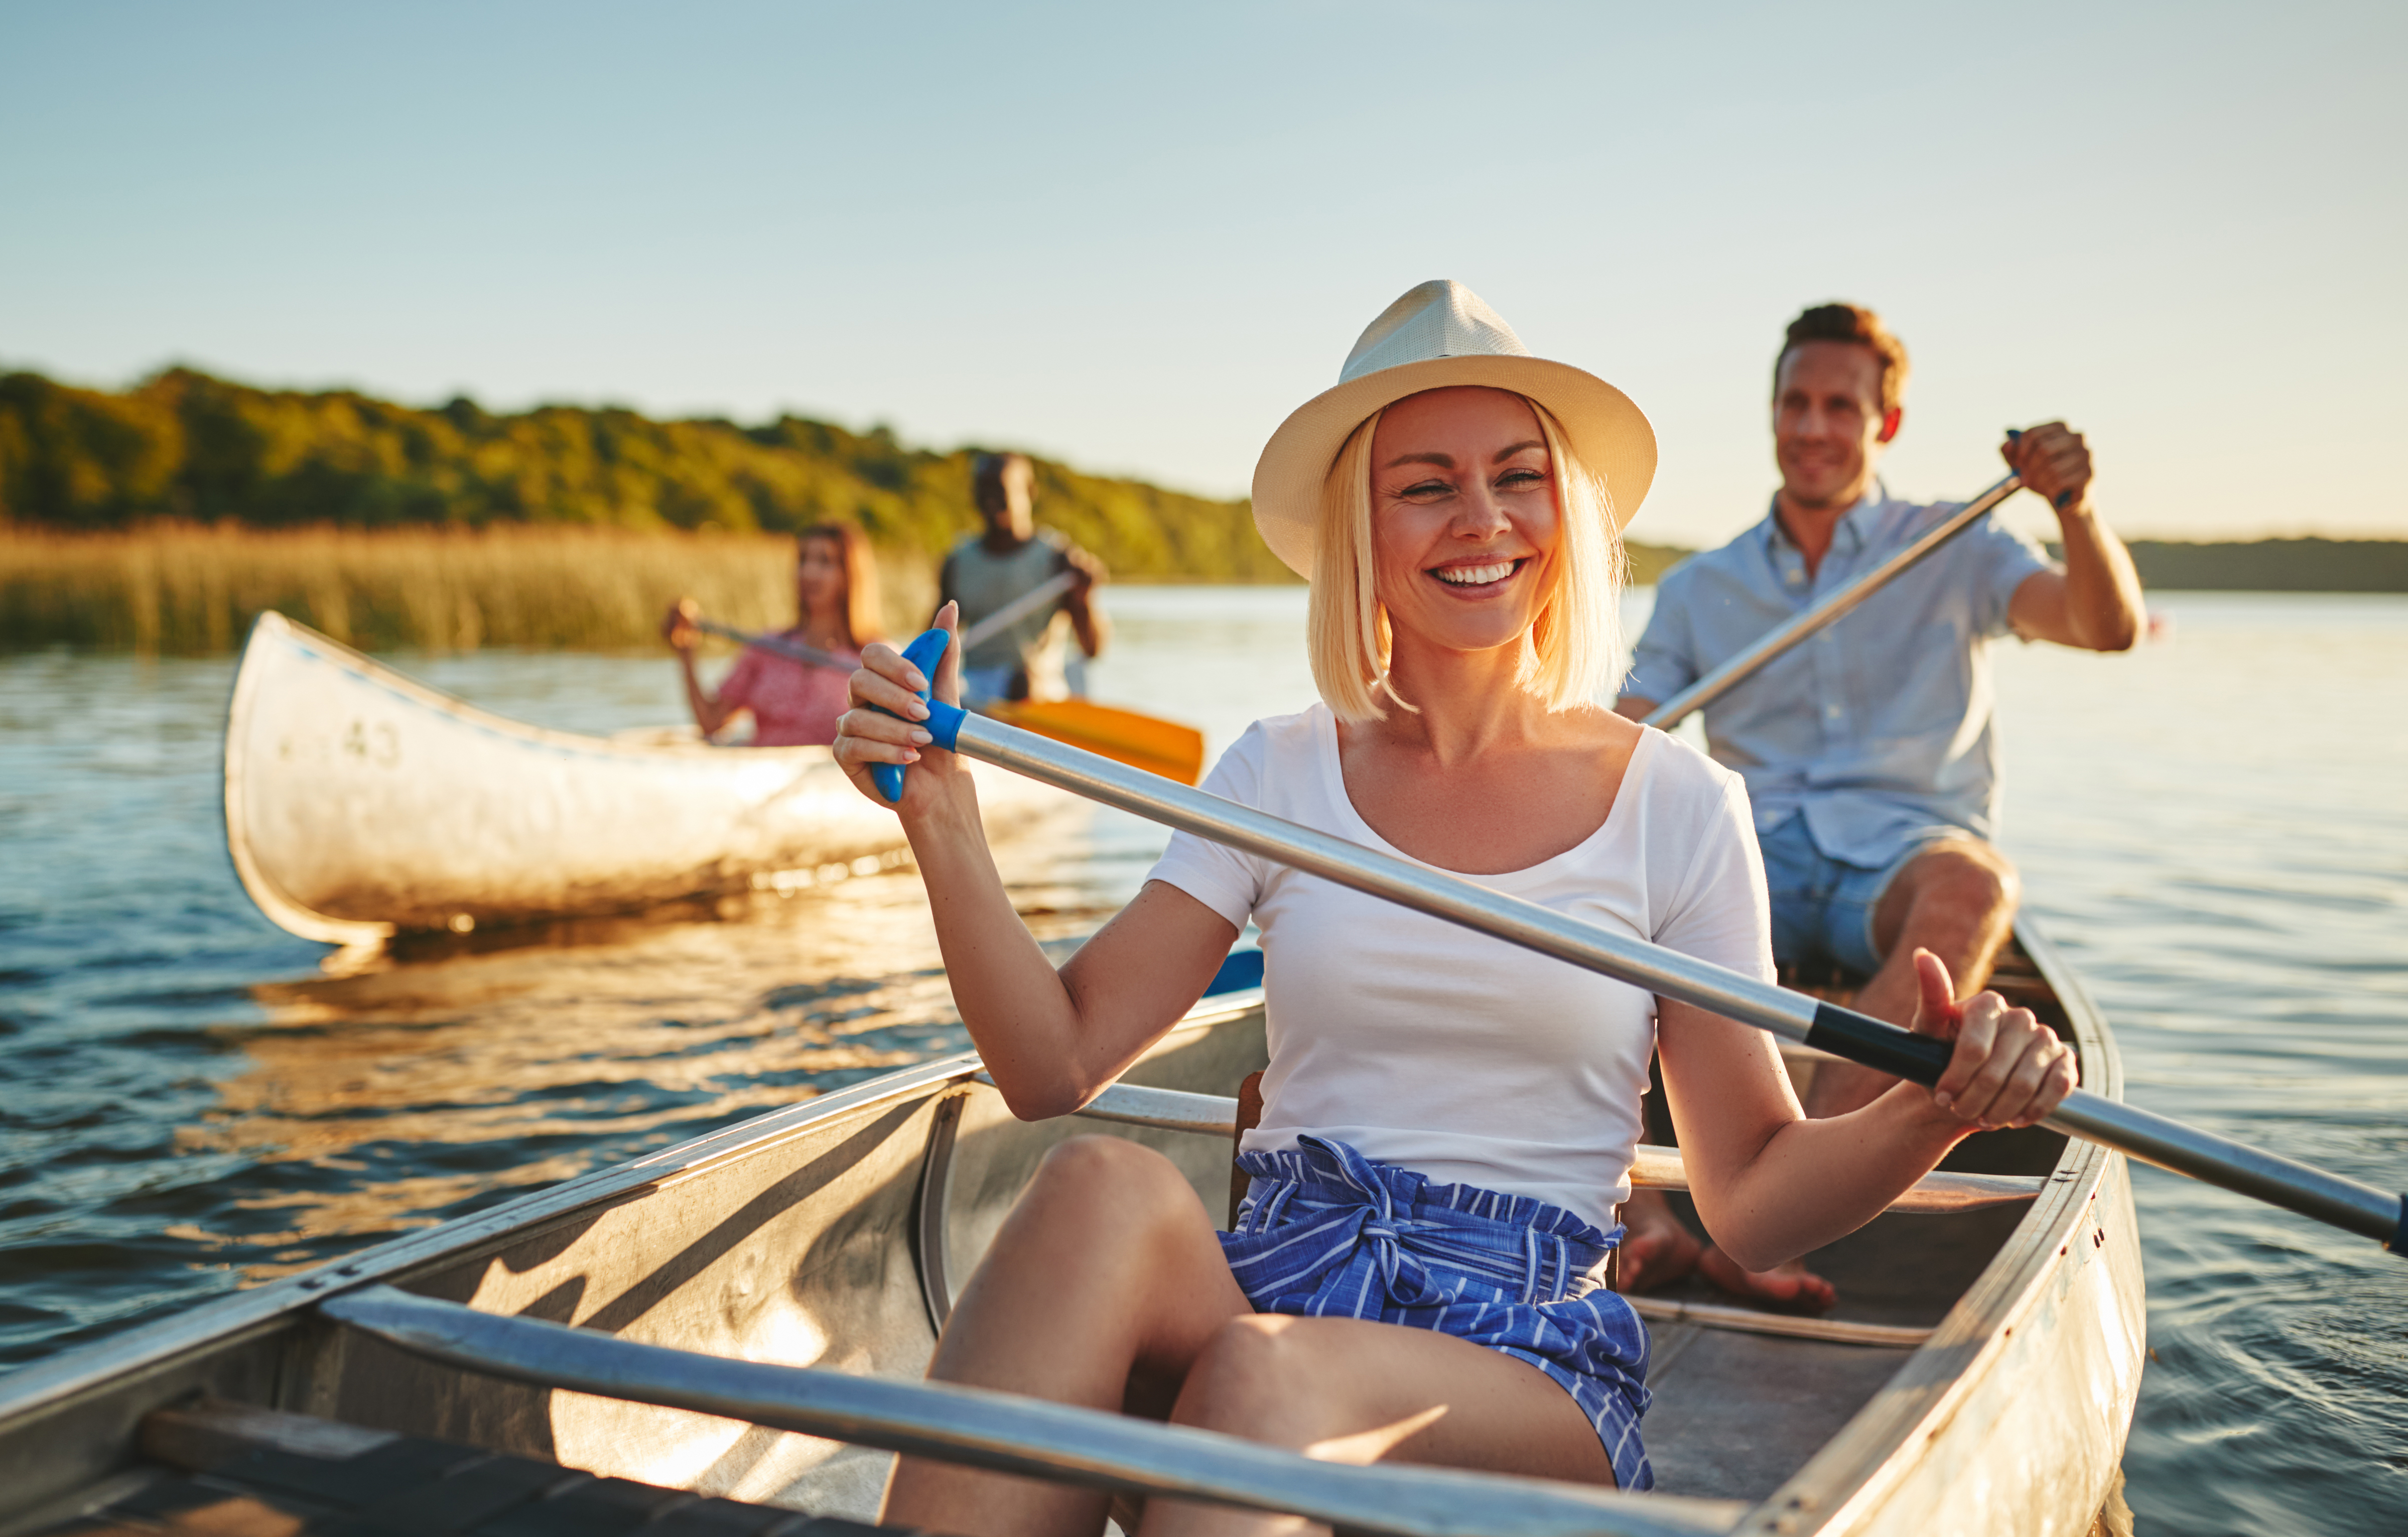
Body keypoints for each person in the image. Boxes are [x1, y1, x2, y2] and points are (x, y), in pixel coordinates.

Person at [834, 281, 2073, 1529]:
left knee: (1267, 1376)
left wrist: (1930, 1113)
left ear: (1564, 511)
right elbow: (1050, 1063)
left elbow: (1749, 1195)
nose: (1478, 519)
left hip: (1519, 1353)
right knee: (1096, 1184)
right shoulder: (1275, 770)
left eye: (1515, 476)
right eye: (1424, 484)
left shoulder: (1679, 802)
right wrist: (939, 816)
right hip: (1280, 1277)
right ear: (1359, 529)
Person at [1610, 302, 2144, 1308]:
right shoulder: (1704, 586)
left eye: (1841, 407)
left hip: (1901, 860)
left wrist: (2074, 508)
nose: (1814, 427)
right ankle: (1642, 1213)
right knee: (1612, 877)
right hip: (1752, 855)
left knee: (1977, 887)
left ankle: (1783, 1190)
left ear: (1883, 424)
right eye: (1796, 403)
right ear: (1773, 414)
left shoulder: (1956, 545)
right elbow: (1623, 742)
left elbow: (2104, 626)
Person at [663, 521, 883, 746]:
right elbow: (711, 722)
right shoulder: (766, 647)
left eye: (825, 561)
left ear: (851, 574)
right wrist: (686, 651)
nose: (808, 572)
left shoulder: (876, 659)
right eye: (803, 560)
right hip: (759, 776)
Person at [942, 451, 1109, 703]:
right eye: (982, 489)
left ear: (1029, 492)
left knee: (1024, 683)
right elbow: (935, 640)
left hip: (1041, 688)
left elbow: (1093, 649)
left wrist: (1085, 600)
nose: (989, 499)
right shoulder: (957, 562)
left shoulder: (1058, 559)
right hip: (975, 688)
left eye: (999, 489)